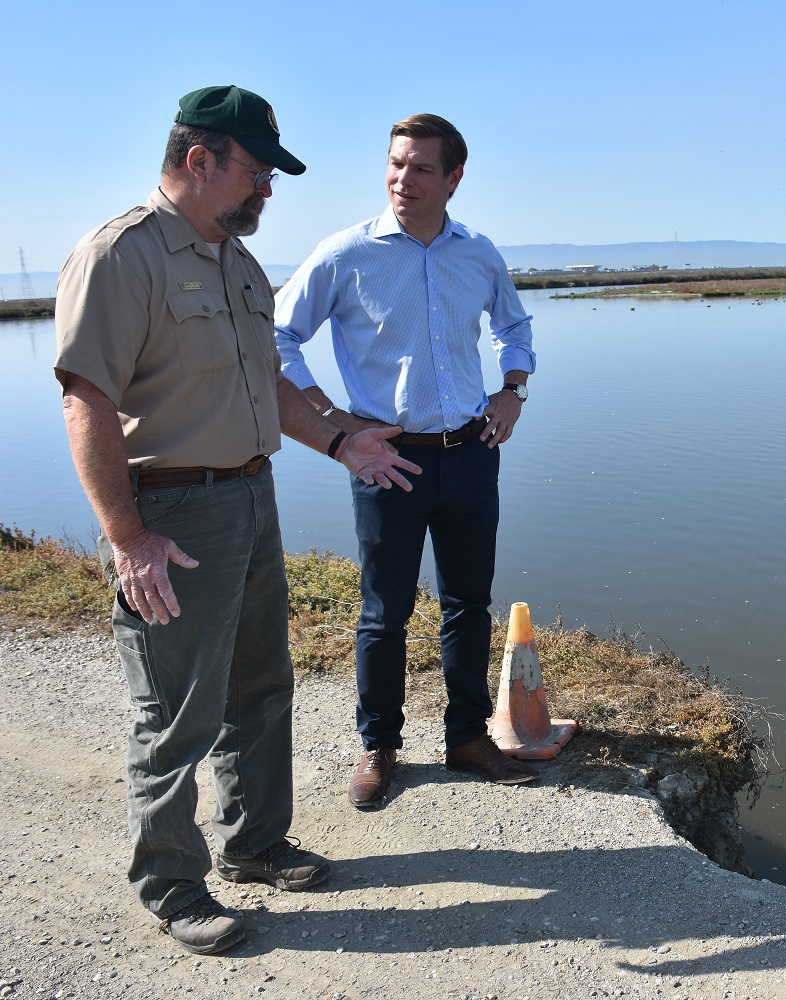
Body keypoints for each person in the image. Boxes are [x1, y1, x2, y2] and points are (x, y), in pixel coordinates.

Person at [54, 85, 421, 955]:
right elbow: (87, 401)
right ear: (200, 160)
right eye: (256, 173)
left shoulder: (237, 263)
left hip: (251, 497)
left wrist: (341, 443)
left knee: (261, 685)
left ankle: (255, 844)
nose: (267, 191)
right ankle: (175, 886)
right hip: (172, 513)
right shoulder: (121, 257)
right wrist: (128, 537)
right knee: (176, 708)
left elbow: (273, 386)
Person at [274, 113, 538, 810]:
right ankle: (378, 746)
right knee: (383, 613)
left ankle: (468, 738)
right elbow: (276, 334)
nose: (403, 179)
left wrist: (511, 392)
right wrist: (330, 418)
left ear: (453, 178)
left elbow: (514, 326)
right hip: (388, 461)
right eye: (396, 164)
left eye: (422, 167)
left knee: (468, 605)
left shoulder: (477, 253)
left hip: (472, 453)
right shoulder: (345, 253)